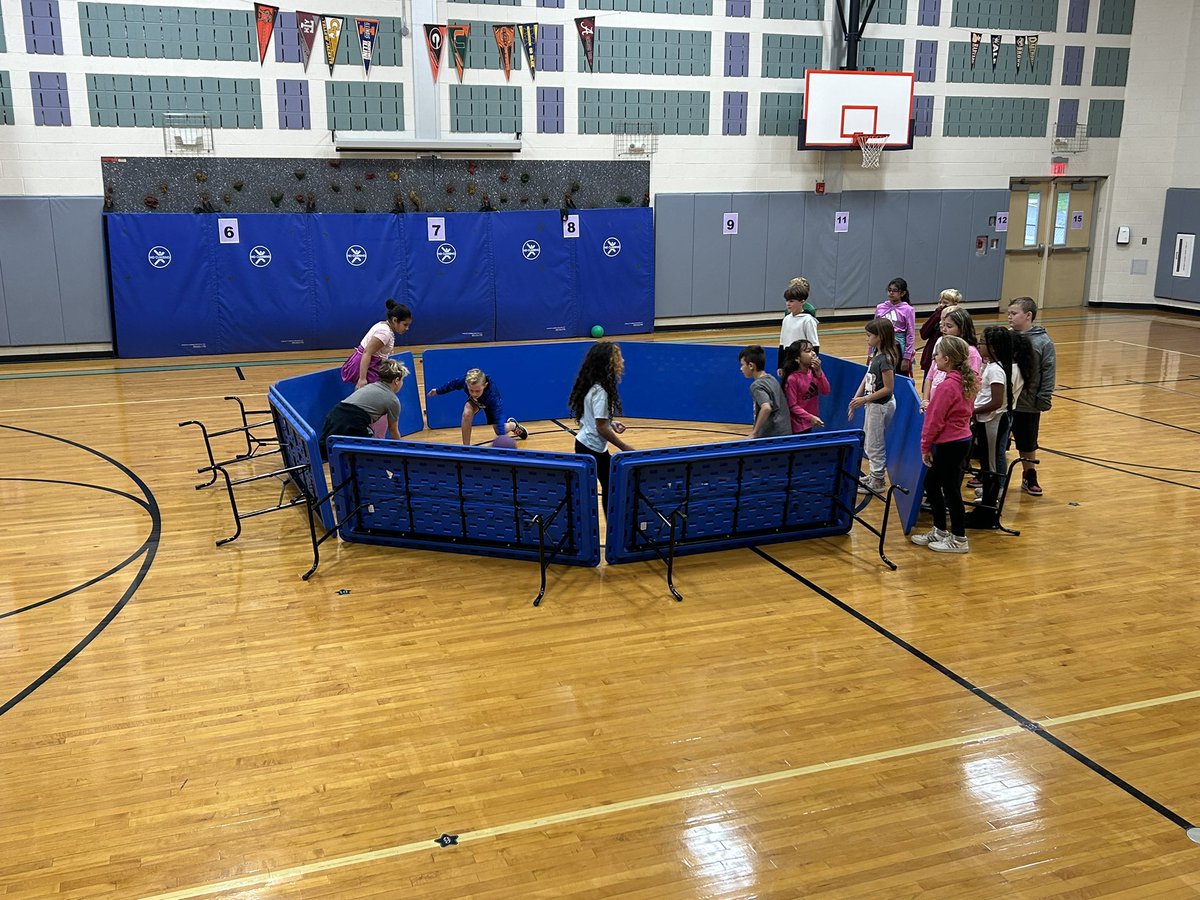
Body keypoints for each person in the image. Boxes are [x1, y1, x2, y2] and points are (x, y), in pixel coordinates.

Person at [911, 335, 977, 554]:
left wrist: (925, 447)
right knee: (932, 483)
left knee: (950, 490)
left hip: (951, 443)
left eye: (937, 354)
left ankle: (959, 538)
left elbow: (934, 420)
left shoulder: (947, 387)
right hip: (960, 440)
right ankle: (940, 530)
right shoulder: (964, 380)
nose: (934, 357)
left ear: (947, 359)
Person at [963, 326, 1033, 530]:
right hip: (991, 420)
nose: (979, 345)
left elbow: (996, 402)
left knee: (991, 467)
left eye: (983, 342)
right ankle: (985, 507)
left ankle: (988, 512)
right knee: (987, 465)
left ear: (993, 346)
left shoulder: (996, 369)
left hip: (994, 421)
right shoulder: (997, 366)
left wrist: (972, 411)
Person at [567, 341, 633, 506]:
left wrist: (612, 422)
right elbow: (601, 427)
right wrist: (624, 447)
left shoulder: (595, 386)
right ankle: (611, 526)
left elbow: (597, 419)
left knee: (608, 485)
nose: (623, 361)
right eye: (619, 358)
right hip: (591, 447)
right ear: (610, 363)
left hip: (587, 444)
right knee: (610, 485)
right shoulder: (601, 391)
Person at [1007, 296, 1057, 496]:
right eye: (1008, 313)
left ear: (1028, 315)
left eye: (1014, 313)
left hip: (1028, 402)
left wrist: (1044, 397)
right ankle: (989, 474)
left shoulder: (1043, 342)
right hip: (1004, 401)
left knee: (1027, 442)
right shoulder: (1007, 337)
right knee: (999, 440)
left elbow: (1049, 370)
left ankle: (1029, 475)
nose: (1009, 317)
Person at [848, 318, 899, 493]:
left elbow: (888, 388)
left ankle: (878, 480)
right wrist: (857, 397)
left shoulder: (885, 359)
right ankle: (874, 474)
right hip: (873, 404)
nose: (866, 338)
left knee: (875, 443)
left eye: (869, 335)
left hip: (880, 406)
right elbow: (867, 376)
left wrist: (865, 400)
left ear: (880, 337)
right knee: (870, 441)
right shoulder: (876, 355)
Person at [320, 359, 408, 459]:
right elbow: (393, 431)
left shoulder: (370, 386)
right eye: (402, 380)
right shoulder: (393, 400)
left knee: (325, 451)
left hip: (335, 414)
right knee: (372, 454)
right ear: (396, 380)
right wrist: (401, 452)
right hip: (353, 421)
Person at [427, 368, 528, 445]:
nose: (474, 393)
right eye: (471, 390)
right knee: (467, 413)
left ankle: (513, 425)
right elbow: (452, 385)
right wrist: (438, 391)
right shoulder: (465, 382)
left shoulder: (493, 397)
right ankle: (466, 448)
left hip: (489, 404)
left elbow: (499, 415)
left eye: (477, 390)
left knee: (498, 431)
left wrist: (501, 438)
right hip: (476, 402)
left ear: (485, 385)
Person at [341, 299, 412, 390]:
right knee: (378, 391)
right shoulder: (384, 333)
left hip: (370, 364)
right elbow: (367, 353)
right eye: (405, 325)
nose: (407, 328)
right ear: (395, 320)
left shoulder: (384, 327)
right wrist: (362, 379)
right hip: (364, 366)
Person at [921, 307, 981, 412]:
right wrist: (926, 400)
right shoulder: (941, 345)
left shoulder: (971, 353)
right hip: (934, 406)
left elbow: (971, 386)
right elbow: (930, 377)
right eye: (943, 325)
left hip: (952, 410)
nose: (944, 329)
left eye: (949, 326)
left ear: (962, 329)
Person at [739, 344, 790, 438]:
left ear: (751, 366)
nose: (741, 369)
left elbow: (766, 408)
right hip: (785, 432)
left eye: (742, 365)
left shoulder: (757, 385)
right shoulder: (772, 379)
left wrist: (754, 433)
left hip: (772, 437)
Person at [781, 339, 829, 434]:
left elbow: (825, 390)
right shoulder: (792, 379)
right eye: (808, 351)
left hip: (809, 422)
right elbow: (792, 405)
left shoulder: (814, 372)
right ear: (797, 358)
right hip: (798, 426)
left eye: (812, 350)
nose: (813, 354)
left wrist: (819, 372)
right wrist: (810, 417)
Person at [873, 277, 917, 377]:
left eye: (895, 291)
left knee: (898, 376)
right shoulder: (880, 307)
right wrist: (871, 352)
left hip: (897, 347)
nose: (891, 293)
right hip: (881, 344)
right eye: (889, 290)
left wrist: (907, 357)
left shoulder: (908, 310)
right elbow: (873, 330)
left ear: (902, 293)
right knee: (879, 374)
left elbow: (910, 334)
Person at [918, 289, 961, 386]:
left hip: (948, 363)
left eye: (945, 303)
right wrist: (937, 314)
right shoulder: (937, 316)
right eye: (940, 302)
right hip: (931, 361)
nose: (941, 305)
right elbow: (923, 333)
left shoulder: (958, 320)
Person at [777, 277, 820, 374]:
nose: (788, 304)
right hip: (788, 360)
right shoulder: (786, 319)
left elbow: (815, 344)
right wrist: (780, 366)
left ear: (802, 302)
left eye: (791, 301)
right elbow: (782, 344)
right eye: (787, 301)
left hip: (802, 361)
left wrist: (813, 365)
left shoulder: (808, 320)